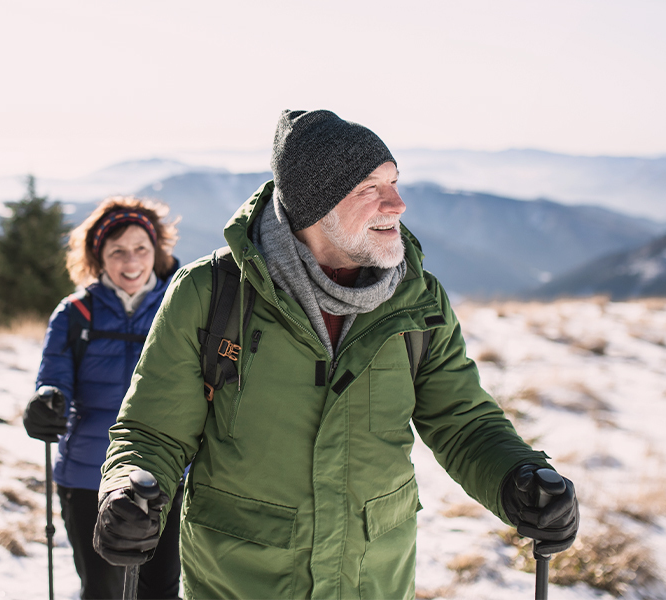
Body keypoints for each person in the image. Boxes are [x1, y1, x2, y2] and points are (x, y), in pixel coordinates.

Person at [92, 110, 580, 599]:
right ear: (315, 207)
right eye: (371, 188)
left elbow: (463, 422)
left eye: (394, 182)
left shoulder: (417, 299)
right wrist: (128, 489)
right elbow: (154, 430)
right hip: (240, 582)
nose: (398, 203)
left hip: (373, 581)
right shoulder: (213, 292)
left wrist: (516, 476)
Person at [23, 196, 182, 599]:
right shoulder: (76, 313)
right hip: (87, 476)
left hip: (166, 476)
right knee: (102, 590)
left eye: (140, 249)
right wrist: (47, 402)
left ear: (157, 252)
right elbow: (54, 379)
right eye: (118, 252)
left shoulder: (181, 307)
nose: (131, 262)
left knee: (159, 591)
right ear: (99, 258)